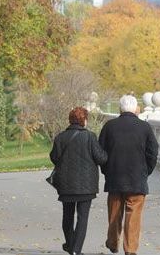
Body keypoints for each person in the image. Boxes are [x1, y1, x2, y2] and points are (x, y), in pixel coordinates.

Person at [99, 95, 158, 255]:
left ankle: (112, 242)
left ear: (120, 108)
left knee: (114, 213)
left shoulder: (109, 126)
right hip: (137, 179)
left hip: (115, 178)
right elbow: (153, 153)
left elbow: (101, 153)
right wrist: (146, 171)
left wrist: (107, 171)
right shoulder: (144, 127)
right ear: (135, 109)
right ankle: (130, 249)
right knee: (133, 216)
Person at [50, 107, 108, 255]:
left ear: (70, 120)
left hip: (66, 185)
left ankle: (70, 245)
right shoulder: (90, 137)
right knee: (83, 218)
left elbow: (54, 157)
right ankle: (76, 250)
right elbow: (101, 158)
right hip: (86, 186)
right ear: (84, 120)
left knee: (67, 215)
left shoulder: (60, 137)